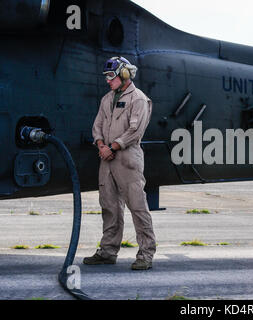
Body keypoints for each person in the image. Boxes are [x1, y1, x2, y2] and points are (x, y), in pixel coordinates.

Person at [83, 56, 156, 270]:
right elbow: (97, 126)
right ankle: (107, 251)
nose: (108, 81)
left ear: (124, 75)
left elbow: (135, 131)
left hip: (127, 158)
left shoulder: (139, 99)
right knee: (109, 207)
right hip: (106, 159)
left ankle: (146, 254)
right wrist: (101, 145)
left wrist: (113, 147)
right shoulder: (107, 99)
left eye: (111, 76)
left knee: (137, 207)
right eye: (106, 76)